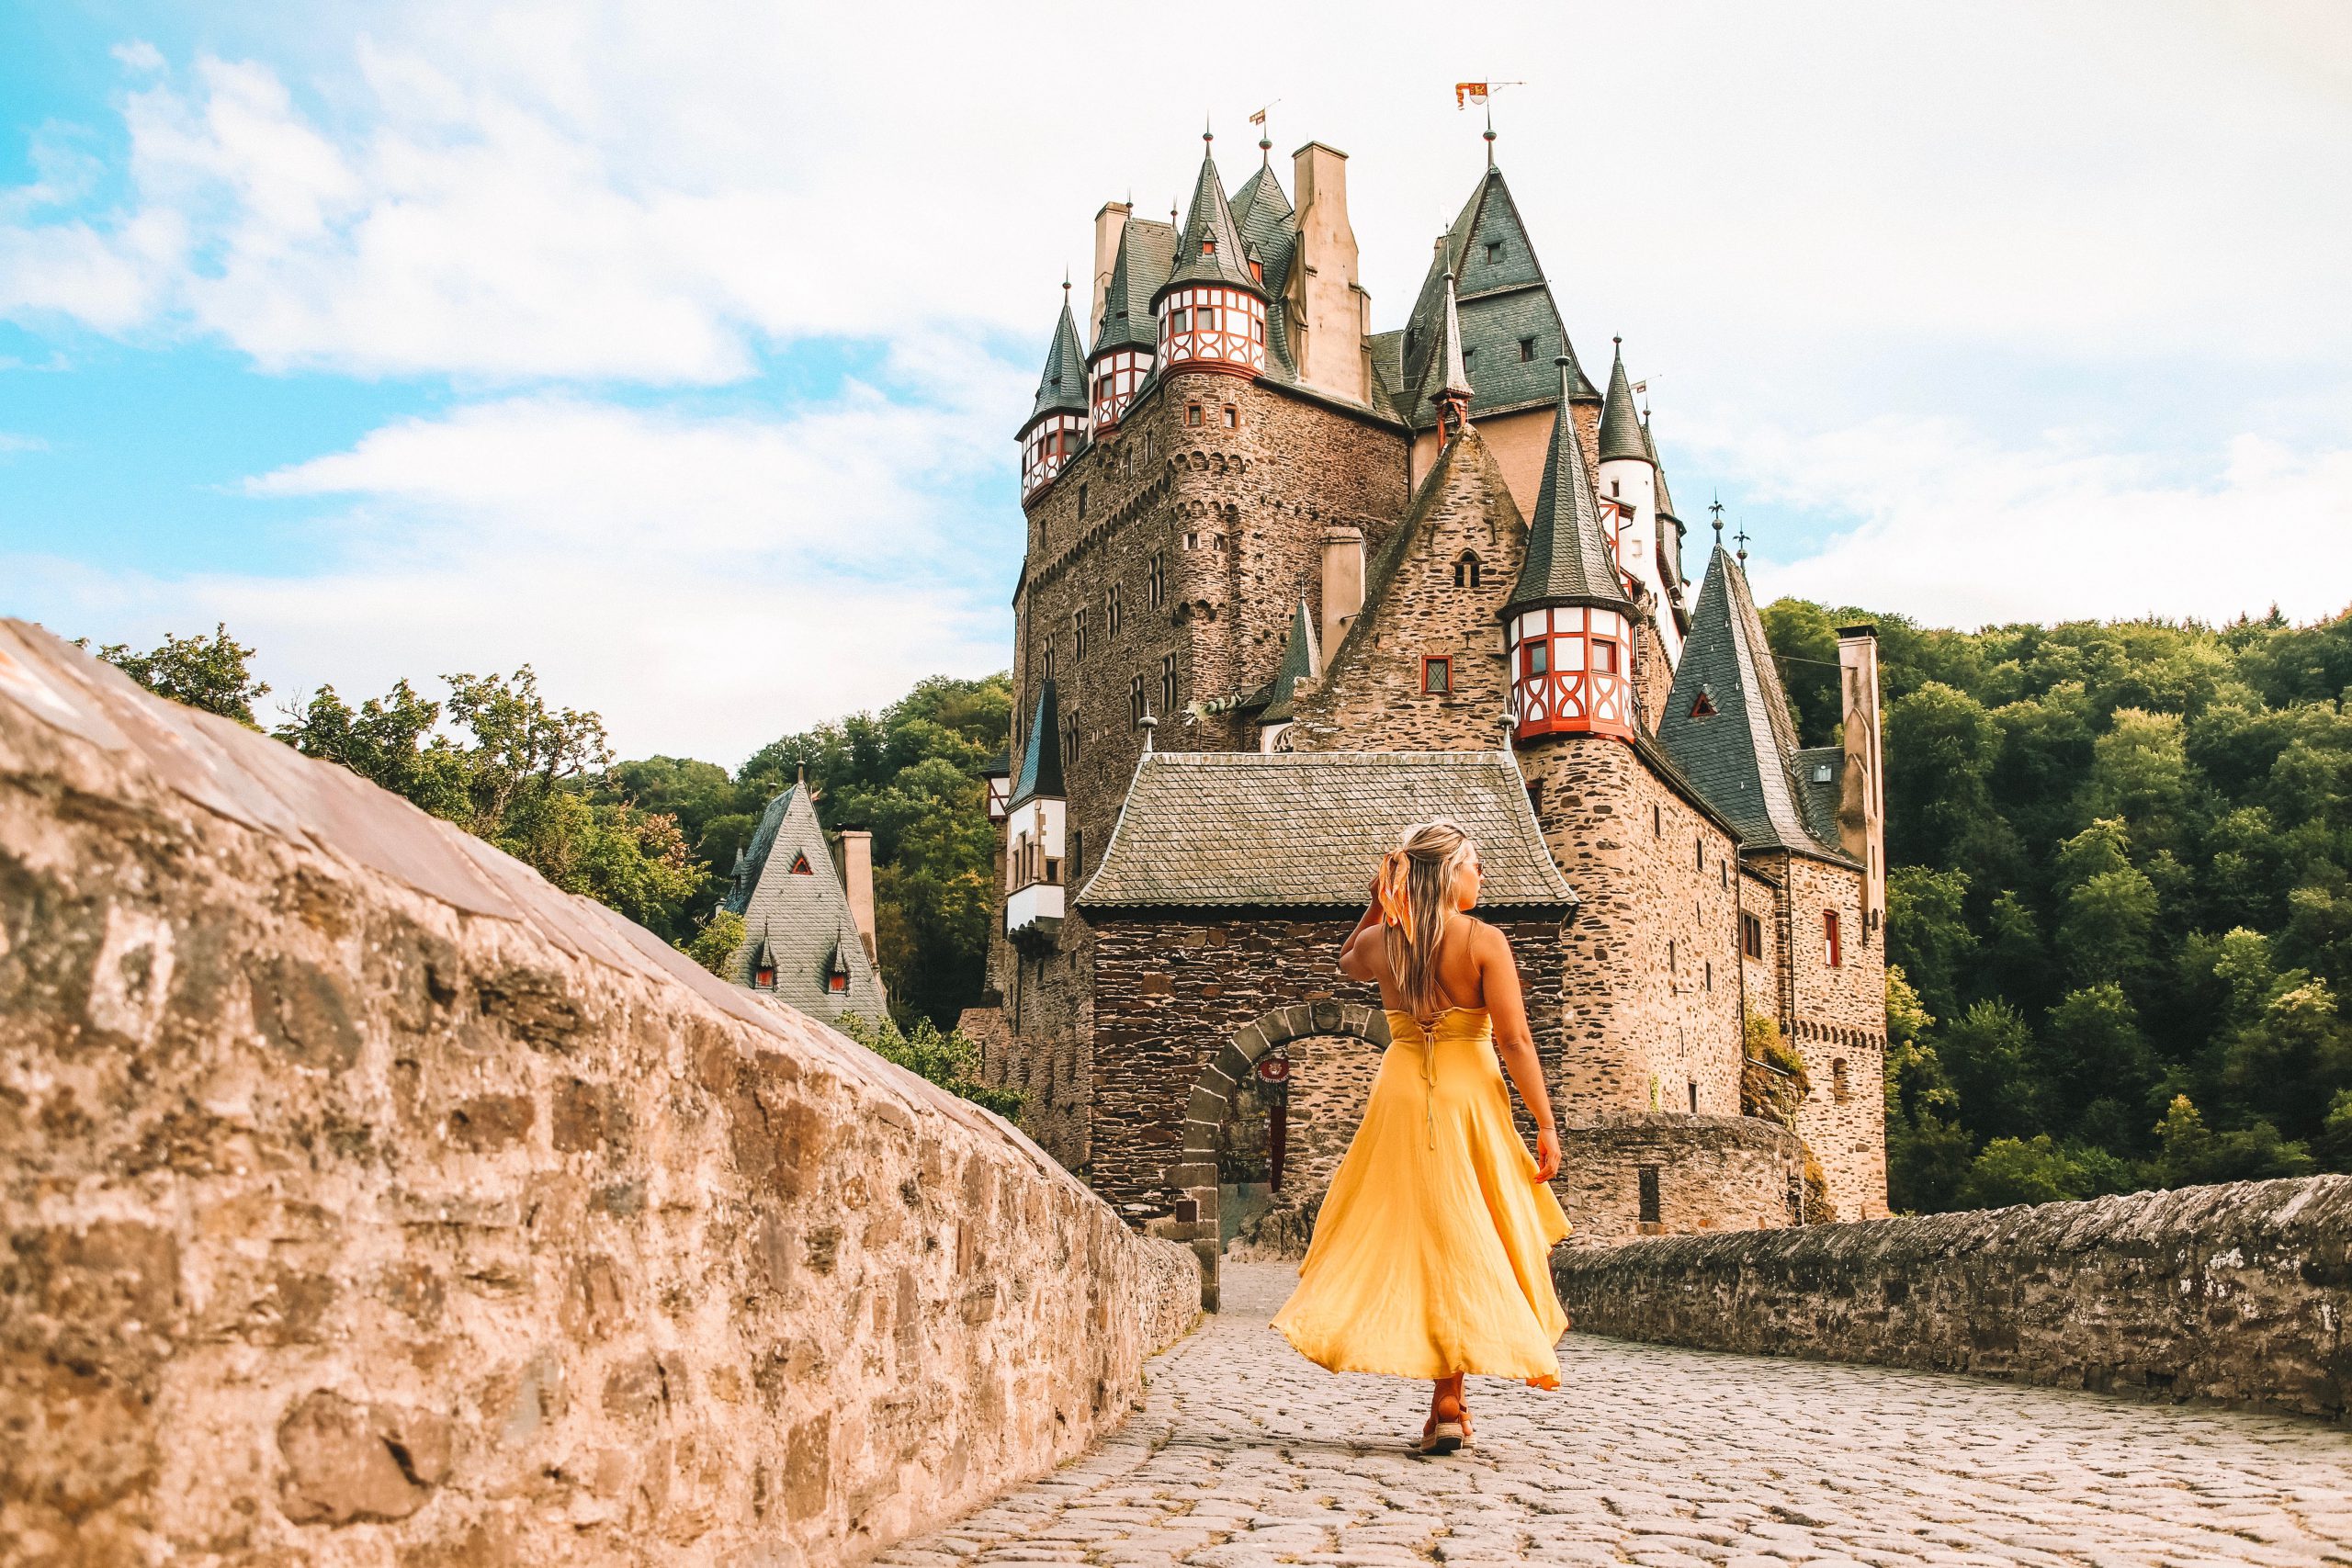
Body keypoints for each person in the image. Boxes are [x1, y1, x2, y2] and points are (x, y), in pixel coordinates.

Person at [1270, 818, 1572, 1454]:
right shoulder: (1484, 941)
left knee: (1419, 1235)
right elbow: (1515, 1039)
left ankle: (1445, 1401)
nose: (1481, 874)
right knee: (1465, 1235)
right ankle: (1450, 1399)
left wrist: (1377, 902)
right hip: (1469, 1095)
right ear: (1448, 873)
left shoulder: (1386, 941)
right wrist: (1545, 1121)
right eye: (1473, 863)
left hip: (1402, 1090)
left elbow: (1347, 961)